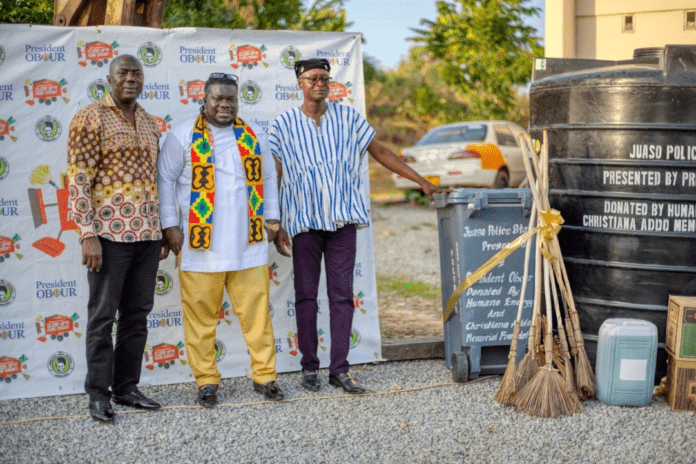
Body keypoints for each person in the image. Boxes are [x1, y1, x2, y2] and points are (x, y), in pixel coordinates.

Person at [269, 58, 445, 394]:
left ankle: (340, 370)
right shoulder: (283, 124)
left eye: (324, 78)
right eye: (313, 78)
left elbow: (380, 152)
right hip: (304, 221)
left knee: (342, 298)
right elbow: (275, 173)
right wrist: (275, 222)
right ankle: (309, 367)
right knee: (306, 297)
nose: (320, 83)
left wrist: (421, 181)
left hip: (343, 220)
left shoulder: (348, 118)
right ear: (300, 83)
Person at [158, 73, 284, 407]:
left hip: (249, 245)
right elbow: (165, 182)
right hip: (200, 249)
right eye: (218, 99)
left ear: (237, 101)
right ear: (205, 100)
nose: (224, 104)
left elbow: (269, 176)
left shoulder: (255, 134)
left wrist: (272, 217)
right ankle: (206, 381)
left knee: (257, 316)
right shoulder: (182, 135)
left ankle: (265, 376)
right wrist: (170, 226)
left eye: (230, 99)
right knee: (200, 318)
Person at [68, 54, 167, 423]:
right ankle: (98, 394)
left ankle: (126, 388)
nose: (130, 78)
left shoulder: (148, 120)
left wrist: (158, 231)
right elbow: (78, 177)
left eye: (136, 74)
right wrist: (86, 234)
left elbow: (154, 180)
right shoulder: (90, 116)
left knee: (137, 317)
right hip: (108, 236)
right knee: (102, 317)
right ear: (109, 79)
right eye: (123, 73)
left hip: (146, 235)